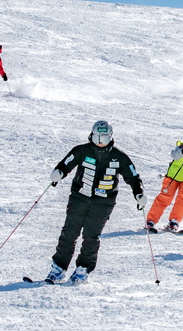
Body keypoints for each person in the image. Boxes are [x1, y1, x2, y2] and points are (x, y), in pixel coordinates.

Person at [38, 120, 145, 284]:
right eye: (97, 137)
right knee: (69, 233)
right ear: (91, 135)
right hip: (79, 198)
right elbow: (66, 163)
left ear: (110, 137)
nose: (100, 141)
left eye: (104, 137)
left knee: (91, 237)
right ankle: (58, 268)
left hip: (103, 203)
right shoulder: (82, 151)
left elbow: (133, 176)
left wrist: (138, 193)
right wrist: (59, 173)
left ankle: (83, 269)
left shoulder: (119, 157)